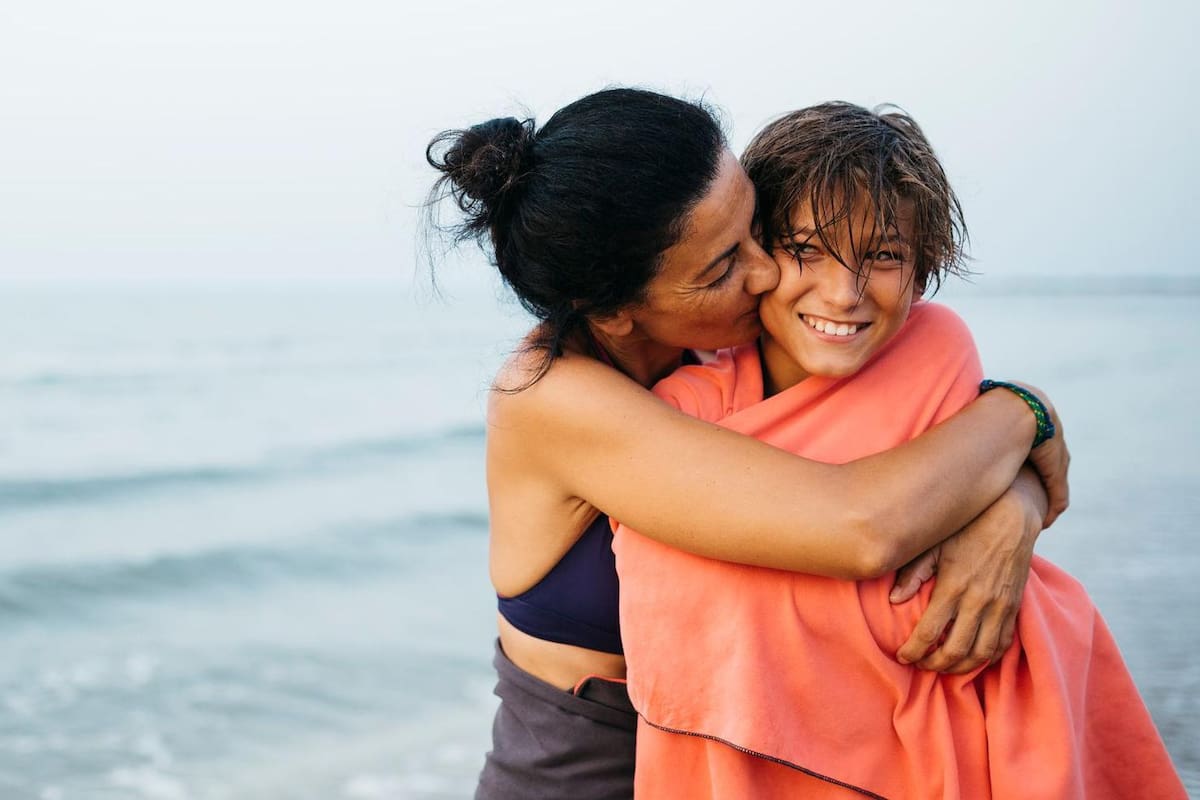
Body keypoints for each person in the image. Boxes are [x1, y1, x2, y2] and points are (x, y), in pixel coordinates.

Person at [425, 88, 1070, 800]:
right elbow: (860, 524)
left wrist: (1014, 502)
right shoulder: (549, 398)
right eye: (724, 265)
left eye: (755, 229)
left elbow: (910, 447)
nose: (765, 273)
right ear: (615, 311)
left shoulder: (719, 353)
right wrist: (1024, 412)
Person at [613, 102, 1186, 799]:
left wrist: (1015, 502)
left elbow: (976, 465)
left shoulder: (935, 351)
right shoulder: (685, 409)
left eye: (883, 256)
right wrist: (1017, 462)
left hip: (983, 734)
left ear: (921, 270)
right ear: (756, 252)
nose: (844, 294)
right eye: (807, 249)